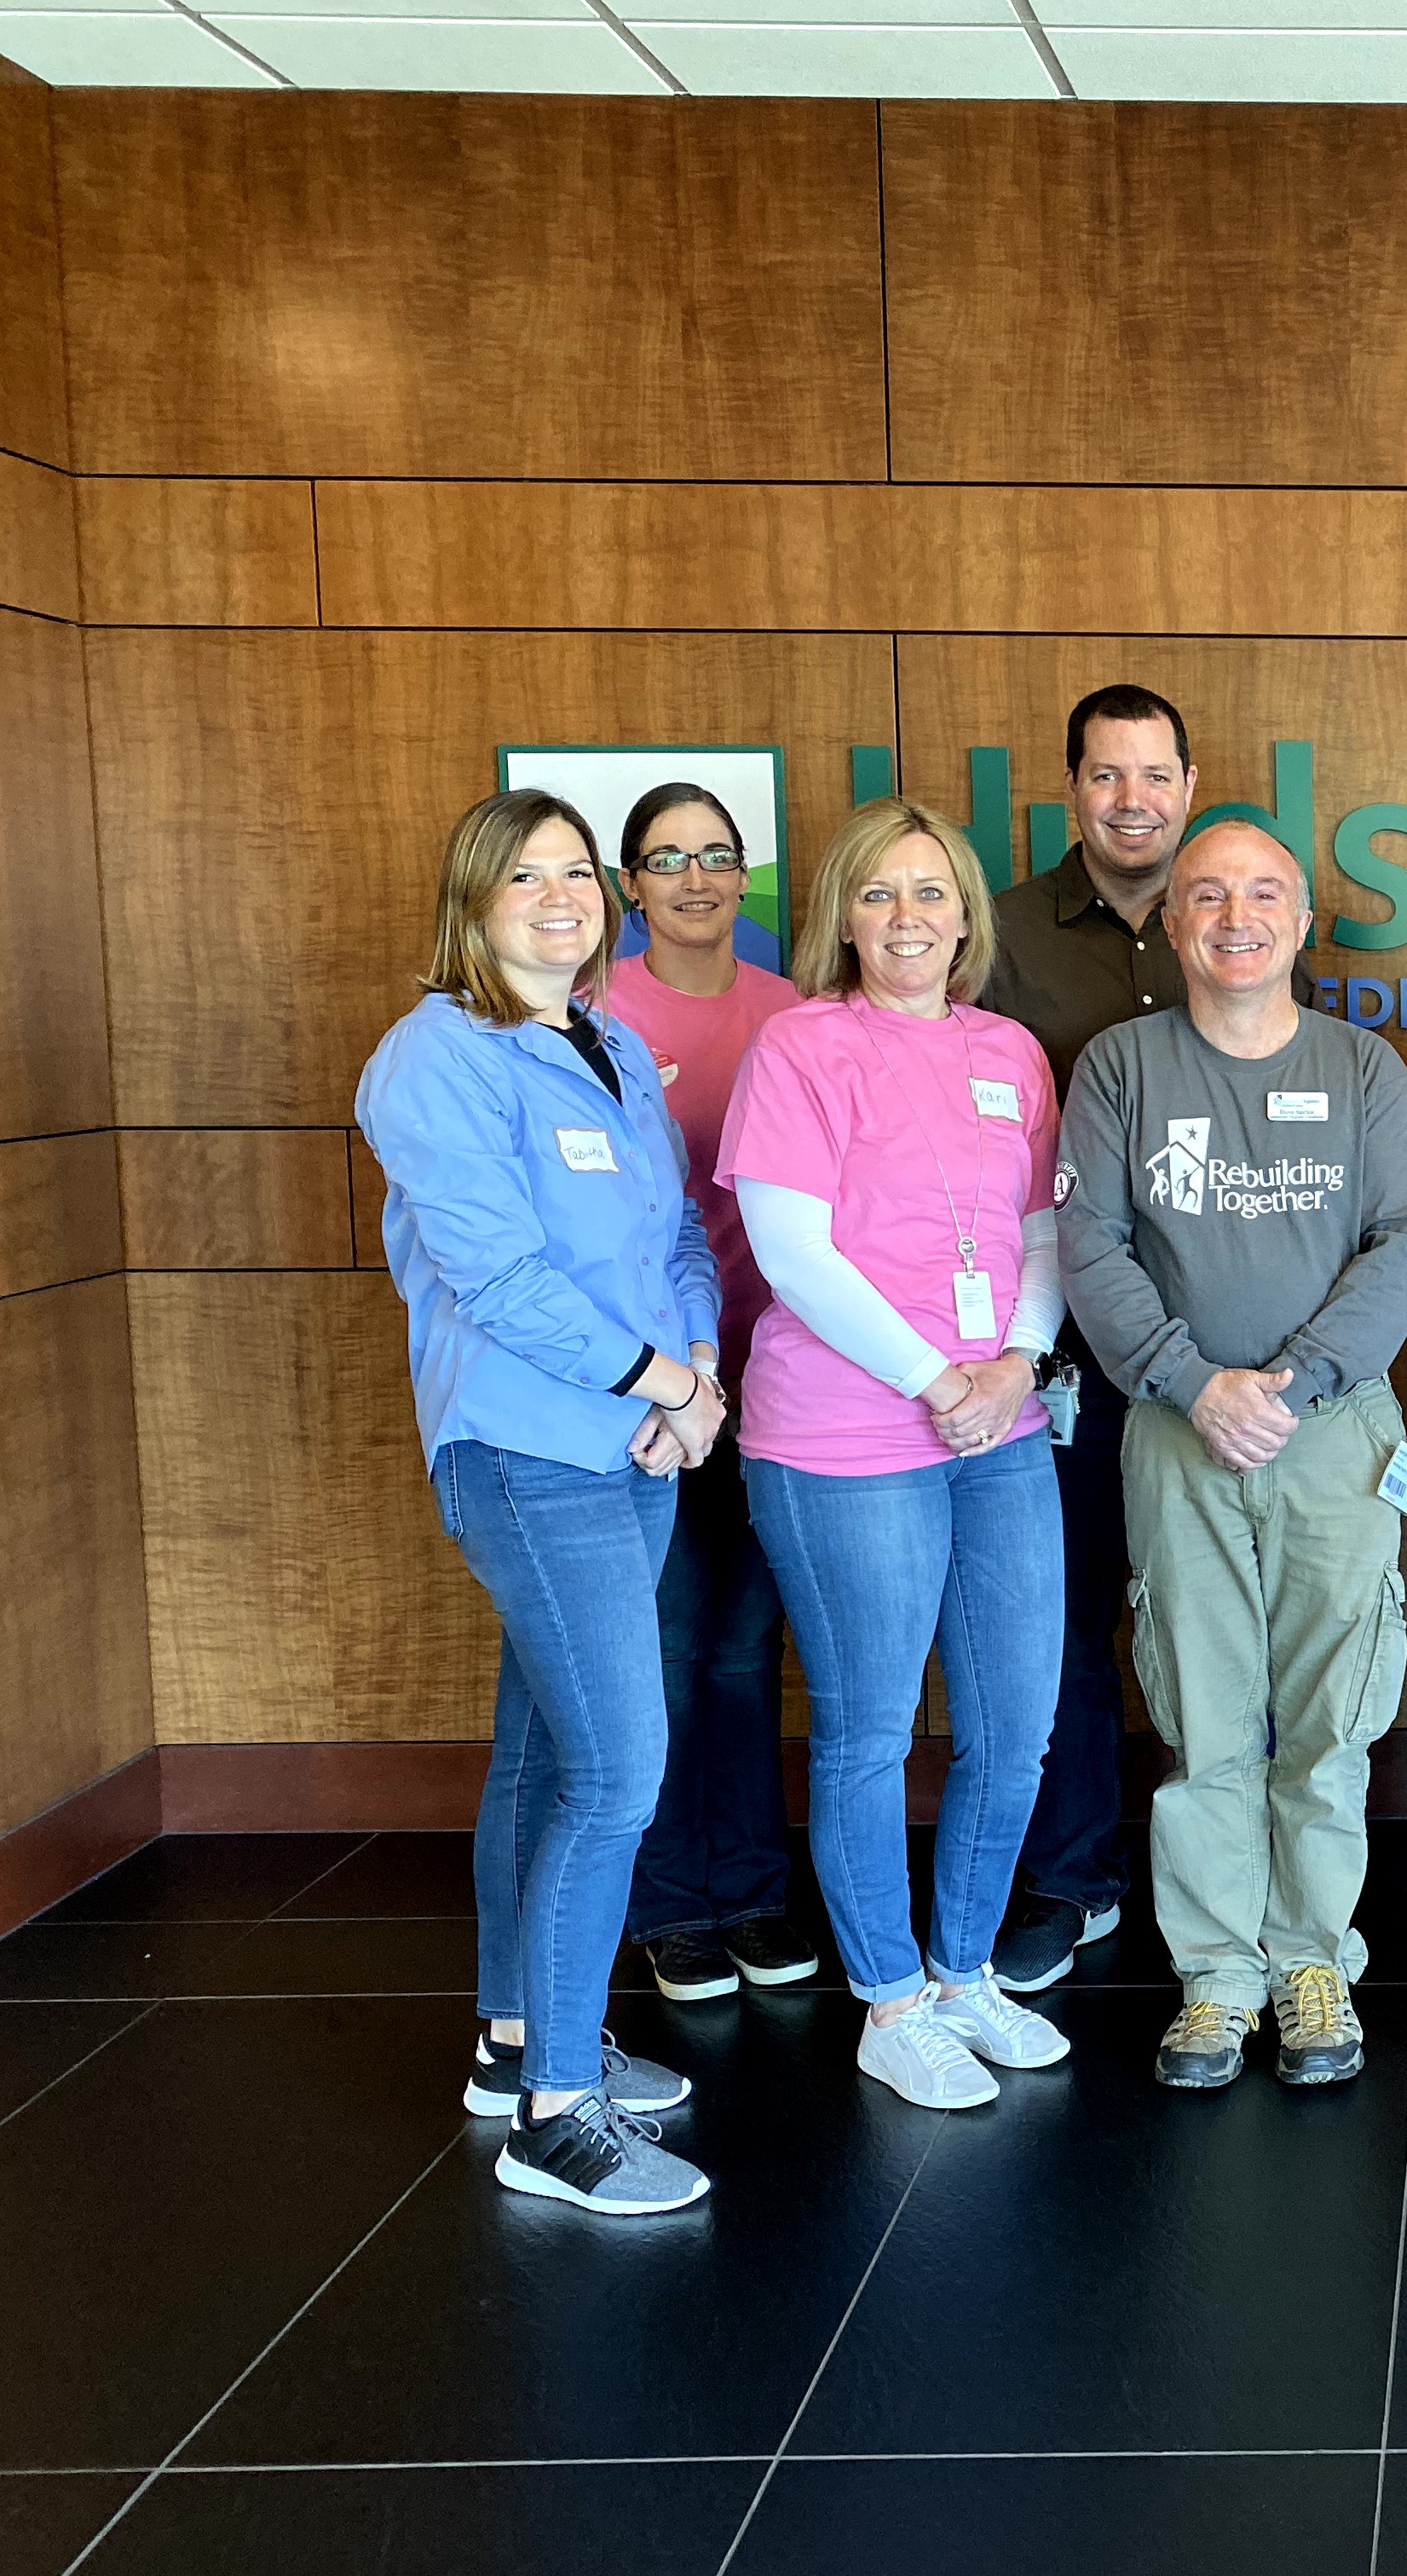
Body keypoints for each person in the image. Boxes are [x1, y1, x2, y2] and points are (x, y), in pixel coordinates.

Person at [356, 789, 720, 2216]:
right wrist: (657, 1382)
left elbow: (678, 1234)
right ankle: (559, 2118)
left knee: (538, 1752)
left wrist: (686, 1379)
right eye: (529, 876)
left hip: (632, 1440)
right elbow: (499, 1281)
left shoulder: (614, 1042)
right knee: (619, 1773)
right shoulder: (434, 1058)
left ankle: (519, 2046)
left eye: (579, 872)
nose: (562, 896)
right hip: (527, 1447)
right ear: (473, 898)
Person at [1059, 823, 1407, 2089]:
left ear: (1304, 918)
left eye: (1263, 892)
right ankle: (1217, 1976)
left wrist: (1296, 1382)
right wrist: (1192, 1383)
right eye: (1205, 894)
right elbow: (1093, 1249)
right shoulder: (1121, 1065)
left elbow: (1402, 1246)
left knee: (1334, 1712)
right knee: (1203, 1708)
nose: (1235, 914)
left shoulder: (1364, 1066)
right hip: (1177, 1435)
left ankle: (1313, 1957)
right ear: (1171, 926)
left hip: (1335, 1437)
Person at [725, 798, 1072, 2110]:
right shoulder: (801, 1047)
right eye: (880, 895)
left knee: (1014, 1726)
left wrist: (1013, 1366)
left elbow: (1039, 1230)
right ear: (841, 917)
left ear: (968, 916)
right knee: (869, 1730)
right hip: (844, 1436)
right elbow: (793, 1250)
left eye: (933, 894)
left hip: (1000, 1425)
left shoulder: (1011, 1053)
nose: (909, 919)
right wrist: (937, 1379)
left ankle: (967, 1969)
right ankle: (889, 1999)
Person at [974, 684, 1313, 1999]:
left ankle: (1246, 1881)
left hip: (1231, 1363)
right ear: (1072, 791)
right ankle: (1074, 1876)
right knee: (1062, 1619)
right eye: (1106, 777)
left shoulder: (1240, 922)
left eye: (1154, 775)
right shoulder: (998, 934)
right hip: (1062, 1348)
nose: (1132, 800)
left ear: (1188, 781)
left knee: (1229, 1621)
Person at [606, 784, 818, 2003]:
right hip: (653, 1393)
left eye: (717, 856)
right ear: (632, 885)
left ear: (747, 877)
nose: (694, 877)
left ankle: (748, 1887)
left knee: (746, 1648)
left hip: (777, 1378)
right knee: (672, 1645)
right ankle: (670, 1903)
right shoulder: (598, 1015)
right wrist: (668, 1376)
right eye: (667, 858)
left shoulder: (789, 1014)